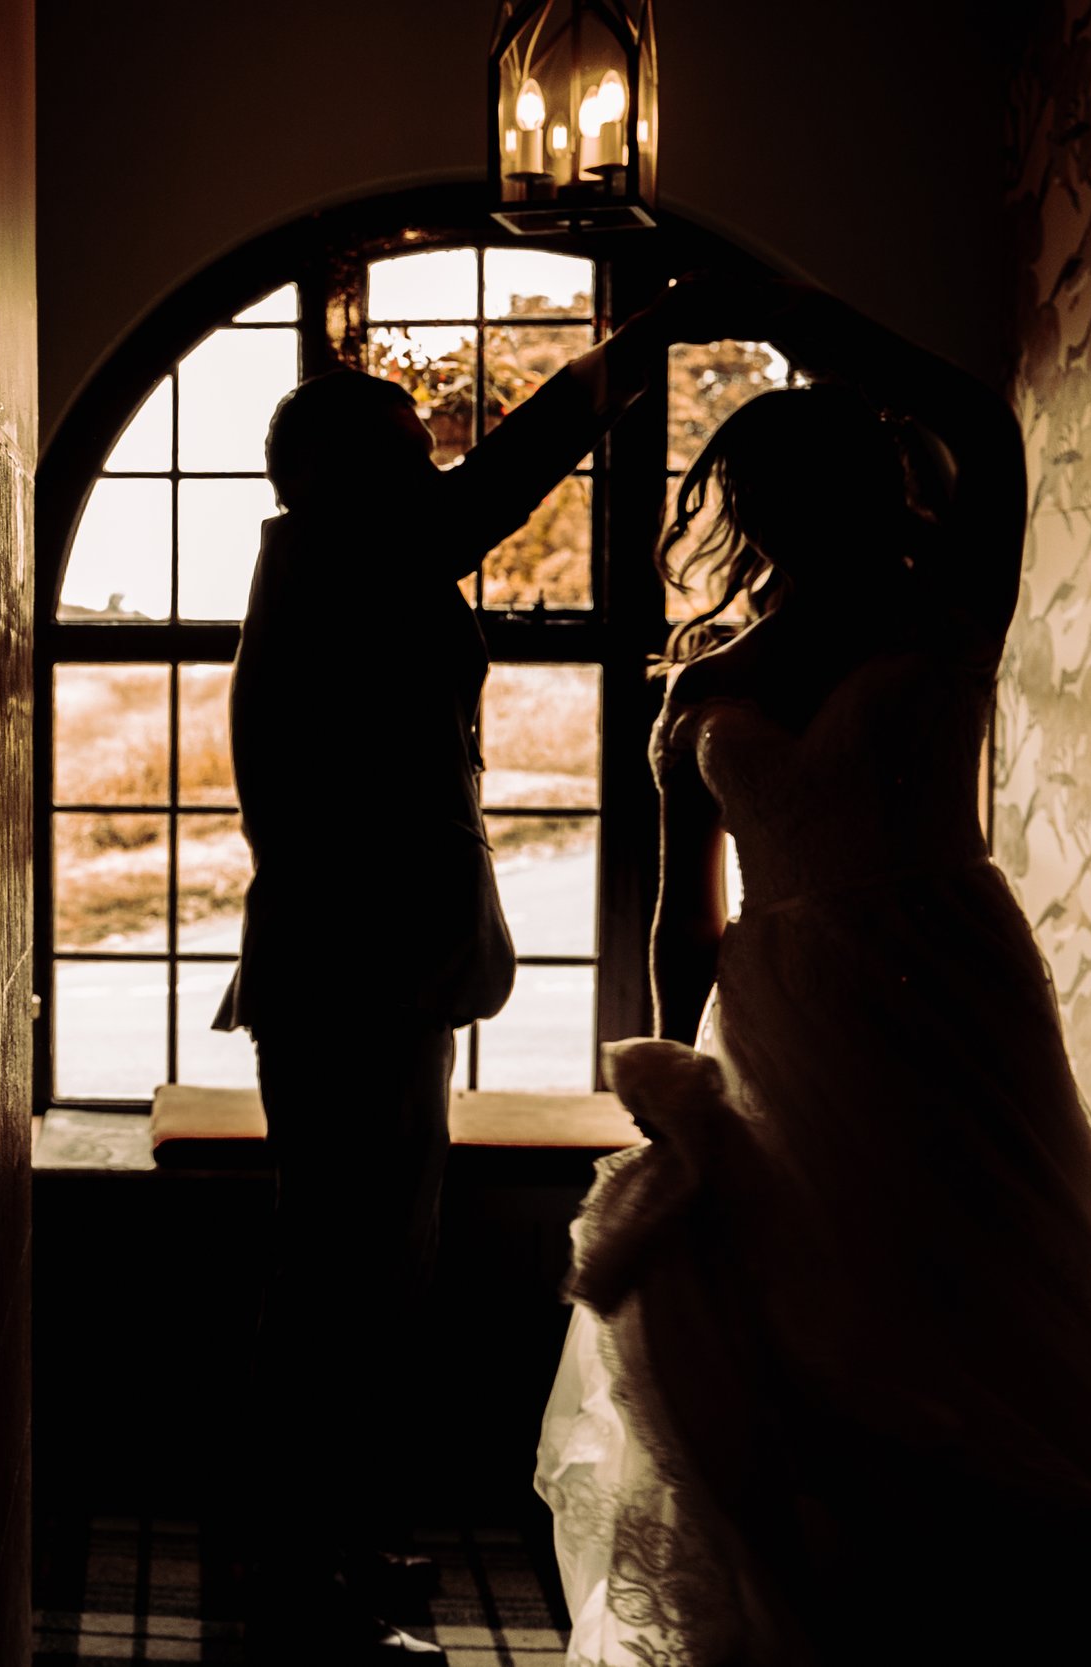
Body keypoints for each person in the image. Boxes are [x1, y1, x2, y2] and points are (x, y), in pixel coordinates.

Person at [534, 281, 1091, 1662]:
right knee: (814, 1297)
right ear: (749, 507)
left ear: (871, 486)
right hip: (783, 1013)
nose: (789, 510)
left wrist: (782, 302)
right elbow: (683, 914)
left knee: (984, 1265)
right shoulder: (704, 682)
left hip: (948, 982)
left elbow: (979, 426)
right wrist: (678, 1091)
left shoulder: (949, 610)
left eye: (819, 482)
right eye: (770, 490)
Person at [221, 280, 741, 1662]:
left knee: (367, 1268)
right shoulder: (352, 554)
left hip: (369, 968)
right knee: (343, 1276)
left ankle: (326, 1542)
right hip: (353, 975)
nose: (429, 468)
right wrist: (639, 347)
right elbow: (508, 479)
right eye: (405, 447)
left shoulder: (342, 557)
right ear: (335, 469)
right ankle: (300, 1572)